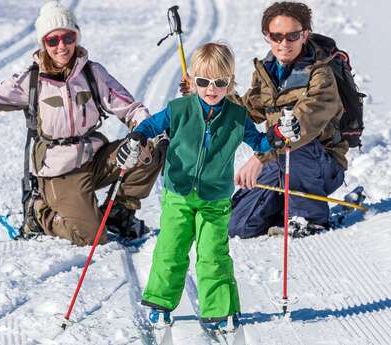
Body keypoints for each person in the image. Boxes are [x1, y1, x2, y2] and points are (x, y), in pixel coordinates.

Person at [0, 0, 164, 246]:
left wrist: (141, 131)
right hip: (58, 171)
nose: (62, 46)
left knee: (148, 152)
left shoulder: (92, 73)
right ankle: (39, 214)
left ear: (76, 38)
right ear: (43, 43)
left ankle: (119, 214)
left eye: (68, 38)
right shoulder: (32, 81)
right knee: (92, 237)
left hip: (94, 157)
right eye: (53, 40)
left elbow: (131, 108)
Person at [117, 42, 299, 332]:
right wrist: (137, 137)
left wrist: (279, 134)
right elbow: (150, 125)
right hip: (178, 193)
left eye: (219, 82)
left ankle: (221, 310)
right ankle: (160, 303)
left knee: (213, 254)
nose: (210, 89)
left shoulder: (238, 117)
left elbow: (261, 143)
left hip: (215, 199)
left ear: (230, 82)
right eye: (202, 82)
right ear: (192, 80)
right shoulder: (179, 109)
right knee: (170, 248)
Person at [228, 1, 346, 238]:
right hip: (281, 160)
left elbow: (303, 124)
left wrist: (261, 157)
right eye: (277, 36)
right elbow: (248, 110)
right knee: (238, 226)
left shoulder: (321, 73)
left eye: (292, 36)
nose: (284, 43)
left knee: (291, 136)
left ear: (305, 35)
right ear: (267, 36)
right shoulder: (268, 70)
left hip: (320, 163)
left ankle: (309, 218)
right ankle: (285, 206)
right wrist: (210, 96)